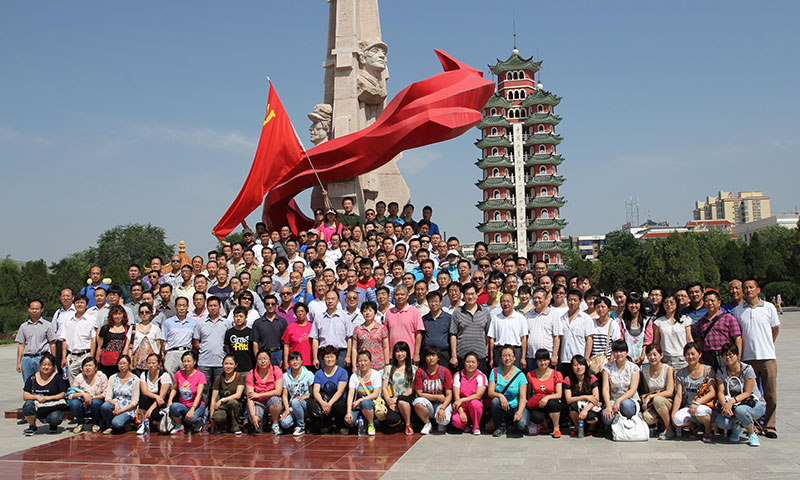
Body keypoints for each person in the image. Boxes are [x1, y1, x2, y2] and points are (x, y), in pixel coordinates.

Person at [734, 278, 780, 439]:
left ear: (758, 290)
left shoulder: (769, 307)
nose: (748, 290)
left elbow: (775, 329)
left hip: (767, 357)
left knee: (770, 394)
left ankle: (770, 426)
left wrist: (768, 343)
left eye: (751, 287)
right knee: (751, 394)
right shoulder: (739, 310)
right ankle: (755, 426)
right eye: (745, 288)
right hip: (748, 359)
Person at [714, 342, 765, 447]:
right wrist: (725, 406)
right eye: (725, 355)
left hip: (753, 404)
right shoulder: (721, 371)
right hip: (732, 405)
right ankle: (738, 427)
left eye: (730, 354)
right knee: (722, 422)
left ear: (737, 355)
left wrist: (731, 402)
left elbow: (747, 392)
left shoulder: (747, 369)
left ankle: (751, 434)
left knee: (741, 411)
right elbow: (720, 392)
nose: (728, 358)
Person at [671, 342, 716, 443]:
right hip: (689, 407)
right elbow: (679, 395)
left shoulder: (707, 370)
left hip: (704, 406)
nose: (690, 357)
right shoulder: (681, 373)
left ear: (699, 354)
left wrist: (697, 403)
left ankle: (708, 430)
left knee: (700, 410)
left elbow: (712, 393)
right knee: (677, 420)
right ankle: (693, 426)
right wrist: (673, 413)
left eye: (693, 354)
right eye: (687, 354)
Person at [695, 290, 742, 372]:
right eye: (706, 301)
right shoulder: (701, 321)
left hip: (725, 355)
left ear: (719, 302)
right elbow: (700, 342)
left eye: (712, 300)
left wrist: (737, 357)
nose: (709, 303)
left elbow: (737, 338)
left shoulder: (729, 318)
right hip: (708, 357)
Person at [488, 345, 529, 437]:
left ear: (514, 358)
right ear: (500, 358)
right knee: (495, 401)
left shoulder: (520, 375)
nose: (507, 358)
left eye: (510, 356)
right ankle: (501, 426)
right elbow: (490, 392)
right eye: (504, 356)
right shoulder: (495, 371)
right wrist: (500, 396)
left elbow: (523, 397)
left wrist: (520, 412)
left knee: (521, 424)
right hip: (502, 406)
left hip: (516, 406)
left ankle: (513, 424)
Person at [22, 353, 66, 436]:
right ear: (40, 365)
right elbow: (25, 395)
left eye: (49, 365)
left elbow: (62, 394)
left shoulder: (57, 378)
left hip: (53, 405)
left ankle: (53, 424)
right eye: (44, 364)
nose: (46, 367)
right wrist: (36, 397)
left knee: (54, 418)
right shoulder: (32, 378)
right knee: (28, 405)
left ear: (53, 366)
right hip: (38, 405)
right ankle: (32, 426)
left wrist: (48, 397)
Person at [449, 283, 491, 371]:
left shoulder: (485, 312)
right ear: (463, 296)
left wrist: (487, 352)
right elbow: (453, 334)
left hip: (480, 356)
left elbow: (488, 334)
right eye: (467, 294)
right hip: (462, 357)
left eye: (472, 294)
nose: (470, 297)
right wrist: (454, 355)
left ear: (477, 295)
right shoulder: (457, 312)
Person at [308, 345, 349, 434]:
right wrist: (322, 403)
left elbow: (340, 391)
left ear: (336, 358)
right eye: (327, 357)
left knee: (339, 406)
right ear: (323, 359)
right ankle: (325, 424)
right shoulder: (319, 373)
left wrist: (329, 405)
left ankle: (340, 425)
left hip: (336, 401)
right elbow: (315, 391)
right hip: (324, 401)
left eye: (332, 357)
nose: (329, 359)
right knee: (312, 404)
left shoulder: (342, 372)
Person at [412, 346, 453, 434]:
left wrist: (442, 408)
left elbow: (449, 394)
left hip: (441, 404)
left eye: (433, 355)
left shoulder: (445, 371)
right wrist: (437, 397)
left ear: (438, 358)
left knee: (444, 420)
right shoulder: (420, 372)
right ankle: (427, 423)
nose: (431, 358)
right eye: (428, 356)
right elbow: (419, 393)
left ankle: (440, 423)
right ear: (425, 358)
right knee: (417, 402)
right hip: (428, 404)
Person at [601, 340, 640, 428]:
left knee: (625, 405)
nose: (618, 354)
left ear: (626, 352)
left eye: (621, 351)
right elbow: (605, 389)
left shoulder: (634, 367)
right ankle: (618, 422)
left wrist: (618, 401)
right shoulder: (607, 367)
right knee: (607, 418)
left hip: (629, 400)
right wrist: (608, 406)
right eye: (616, 351)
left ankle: (627, 421)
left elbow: (633, 389)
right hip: (612, 400)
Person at [310, 290, 354, 369]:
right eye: (328, 299)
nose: (330, 301)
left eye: (333, 299)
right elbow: (315, 339)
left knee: (340, 375)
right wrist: (315, 358)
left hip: (341, 354)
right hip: (324, 353)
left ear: (338, 301)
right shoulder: (319, 318)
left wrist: (348, 356)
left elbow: (349, 338)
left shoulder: (345, 317)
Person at [16, 299, 56, 384]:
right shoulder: (24, 326)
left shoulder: (48, 325)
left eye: (37, 309)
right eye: (32, 309)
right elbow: (21, 345)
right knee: (28, 383)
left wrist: (53, 361)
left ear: (41, 310)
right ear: (29, 309)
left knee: (43, 382)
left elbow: (52, 344)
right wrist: (19, 362)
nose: (34, 311)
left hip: (41, 358)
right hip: (27, 359)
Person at [525, 348, 563, 437]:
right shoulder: (530, 375)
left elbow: (559, 394)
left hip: (552, 401)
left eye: (545, 360)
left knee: (552, 403)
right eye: (540, 360)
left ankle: (556, 428)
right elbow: (529, 393)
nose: (542, 363)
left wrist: (547, 397)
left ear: (549, 360)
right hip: (538, 403)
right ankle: (544, 424)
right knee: (536, 416)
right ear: (536, 361)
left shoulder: (556, 374)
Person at [245, 350, 284, 435]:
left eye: (265, 359)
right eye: (260, 359)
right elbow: (250, 397)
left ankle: (275, 424)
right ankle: (261, 421)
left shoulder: (276, 370)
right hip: (258, 402)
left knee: (276, 400)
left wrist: (259, 395)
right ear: (256, 361)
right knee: (257, 428)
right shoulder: (251, 373)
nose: (263, 361)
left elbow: (278, 391)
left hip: (271, 400)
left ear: (270, 360)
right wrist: (253, 416)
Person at [59, 295, 96, 385]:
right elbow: (64, 340)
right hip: (72, 356)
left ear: (86, 305)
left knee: (88, 381)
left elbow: (93, 340)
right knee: (73, 383)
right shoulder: (68, 320)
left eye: (82, 303)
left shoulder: (92, 320)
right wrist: (63, 357)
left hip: (85, 354)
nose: (79, 305)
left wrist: (91, 357)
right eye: (77, 303)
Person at [640, 344, 675, 439]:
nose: (652, 357)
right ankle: (662, 422)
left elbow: (670, 391)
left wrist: (651, 396)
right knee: (647, 417)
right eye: (649, 355)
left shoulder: (668, 369)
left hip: (666, 401)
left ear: (661, 355)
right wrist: (645, 397)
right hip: (653, 405)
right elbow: (647, 391)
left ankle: (669, 429)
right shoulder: (645, 371)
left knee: (658, 399)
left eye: (655, 354)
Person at [384, 285, 426, 365]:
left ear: (407, 296)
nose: (400, 297)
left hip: (410, 354)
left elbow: (419, 334)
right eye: (397, 294)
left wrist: (416, 353)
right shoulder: (389, 313)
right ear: (393, 297)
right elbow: (386, 335)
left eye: (402, 294)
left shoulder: (414, 312)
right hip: (393, 355)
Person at [168, 351, 207, 435]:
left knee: (191, 419)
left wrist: (192, 409)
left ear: (194, 361)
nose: (186, 364)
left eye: (189, 361)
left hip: (197, 405)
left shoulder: (200, 375)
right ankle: (179, 425)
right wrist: (170, 401)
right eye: (184, 361)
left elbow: (199, 394)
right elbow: (174, 388)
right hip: (184, 405)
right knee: (173, 407)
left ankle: (199, 421)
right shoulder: (179, 374)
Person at [344, 350, 382, 435]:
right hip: (358, 406)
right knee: (349, 422)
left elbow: (375, 394)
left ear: (370, 361)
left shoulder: (376, 374)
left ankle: (371, 424)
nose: (363, 363)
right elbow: (350, 395)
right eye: (360, 361)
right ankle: (363, 421)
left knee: (365, 403)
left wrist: (361, 400)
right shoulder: (354, 376)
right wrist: (348, 412)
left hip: (372, 405)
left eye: (365, 360)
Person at [99, 355, 139, 434]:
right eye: (120, 363)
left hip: (128, 408)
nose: (122, 366)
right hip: (116, 405)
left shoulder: (136, 379)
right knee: (105, 406)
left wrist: (121, 411)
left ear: (129, 364)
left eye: (124, 363)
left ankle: (126, 423)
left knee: (117, 423)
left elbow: (135, 401)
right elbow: (107, 397)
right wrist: (115, 404)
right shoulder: (112, 377)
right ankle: (109, 426)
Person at [382, 341, 416, 435]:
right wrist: (388, 400)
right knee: (391, 420)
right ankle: (400, 422)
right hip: (392, 400)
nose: (400, 354)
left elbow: (412, 388)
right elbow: (384, 387)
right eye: (397, 351)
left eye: (402, 351)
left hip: (406, 399)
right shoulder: (389, 368)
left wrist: (398, 399)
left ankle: (408, 424)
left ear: (407, 353)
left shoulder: (413, 368)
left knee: (402, 401)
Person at [450, 351, 488, 435]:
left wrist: (462, 400)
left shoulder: (481, 376)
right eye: (468, 362)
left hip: (474, 404)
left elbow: (478, 395)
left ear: (477, 363)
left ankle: (476, 426)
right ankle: (466, 425)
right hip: (461, 406)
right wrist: (461, 412)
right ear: (464, 362)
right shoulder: (458, 375)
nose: (470, 364)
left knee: (475, 404)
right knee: (456, 421)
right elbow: (456, 397)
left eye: (473, 362)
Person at [68, 356, 107, 434]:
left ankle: (96, 422)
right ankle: (80, 423)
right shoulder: (79, 377)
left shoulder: (101, 376)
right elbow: (71, 394)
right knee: (74, 403)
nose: (88, 368)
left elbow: (105, 393)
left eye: (90, 365)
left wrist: (91, 398)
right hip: (83, 401)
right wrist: (83, 395)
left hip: (97, 400)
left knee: (96, 402)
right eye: (85, 366)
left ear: (95, 368)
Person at [279, 351, 315, 436]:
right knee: (284, 423)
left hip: (306, 404)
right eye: (292, 360)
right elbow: (284, 395)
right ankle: (298, 421)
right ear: (289, 362)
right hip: (293, 405)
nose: (295, 362)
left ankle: (301, 426)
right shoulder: (285, 376)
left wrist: (304, 398)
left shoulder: (308, 374)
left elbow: (313, 393)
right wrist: (287, 409)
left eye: (297, 359)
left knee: (295, 401)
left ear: (301, 361)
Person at [488, 293, 528, 370]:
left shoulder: (520, 318)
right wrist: (491, 358)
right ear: (500, 303)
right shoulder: (496, 318)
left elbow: (524, 339)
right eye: (503, 301)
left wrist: (523, 358)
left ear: (513, 303)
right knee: (499, 374)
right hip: (499, 351)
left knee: (514, 374)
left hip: (515, 351)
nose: (506, 304)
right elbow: (492, 339)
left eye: (508, 301)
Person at [564, 354, 600, 437]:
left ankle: (591, 428)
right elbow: (568, 400)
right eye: (575, 365)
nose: (578, 367)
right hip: (577, 406)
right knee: (573, 407)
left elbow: (596, 398)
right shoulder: (568, 379)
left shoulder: (592, 378)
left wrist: (585, 410)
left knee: (593, 419)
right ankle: (577, 427)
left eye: (581, 364)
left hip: (590, 406)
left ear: (585, 366)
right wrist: (585, 397)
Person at [160, 297, 198, 377]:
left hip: (186, 352)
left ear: (187, 307)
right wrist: (164, 353)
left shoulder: (193, 323)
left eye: (184, 305)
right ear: (175, 306)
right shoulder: (168, 322)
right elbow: (164, 341)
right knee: (169, 376)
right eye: (179, 305)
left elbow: (194, 341)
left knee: (186, 377)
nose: (181, 308)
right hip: (171, 353)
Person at [559, 290, 594, 377]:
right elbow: (560, 339)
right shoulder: (562, 318)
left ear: (580, 301)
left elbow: (589, 339)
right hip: (564, 359)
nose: (572, 302)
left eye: (575, 300)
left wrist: (586, 357)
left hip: (579, 359)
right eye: (570, 300)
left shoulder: (586, 318)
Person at [209, 355, 245, 435]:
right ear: (222, 365)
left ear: (235, 365)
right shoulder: (219, 378)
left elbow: (238, 395)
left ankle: (235, 427)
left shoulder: (240, 376)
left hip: (236, 405)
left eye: (231, 364)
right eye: (226, 364)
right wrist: (212, 419)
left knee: (232, 403)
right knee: (218, 417)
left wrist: (222, 400)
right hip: (223, 406)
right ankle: (223, 426)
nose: (228, 366)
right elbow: (213, 399)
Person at [136, 353, 171, 435]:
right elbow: (145, 391)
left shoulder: (164, 375)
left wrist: (151, 409)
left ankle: (157, 422)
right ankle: (144, 423)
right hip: (150, 400)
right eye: (149, 363)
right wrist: (156, 397)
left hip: (160, 403)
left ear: (158, 364)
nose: (151, 365)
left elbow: (162, 396)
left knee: (155, 413)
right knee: (143, 398)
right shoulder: (144, 375)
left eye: (153, 363)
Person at [352, 301, 390, 371]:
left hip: (379, 365)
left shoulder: (382, 328)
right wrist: (354, 365)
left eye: (370, 310)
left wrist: (387, 364)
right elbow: (354, 348)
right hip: (363, 365)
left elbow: (386, 347)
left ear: (375, 312)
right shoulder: (358, 329)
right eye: (365, 311)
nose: (367, 313)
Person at [127, 302, 162, 376]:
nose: (144, 314)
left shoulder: (156, 328)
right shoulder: (133, 327)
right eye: (142, 312)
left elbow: (158, 346)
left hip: (152, 363)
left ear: (151, 313)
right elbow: (129, 346)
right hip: (137, 363)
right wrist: (129, 361)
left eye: (147, 312)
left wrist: (158, 361)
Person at [95, 305, 130, 377]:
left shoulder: (128, 328)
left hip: (120, 363)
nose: (118, 316)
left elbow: (127, 347)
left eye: (120, 314)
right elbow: (99, 347)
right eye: (115, 314)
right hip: (105, 362)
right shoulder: (105, 328)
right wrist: (96, 362)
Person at [281, 303, 313, 368]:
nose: (300, 313)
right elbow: (286, 346)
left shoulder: (312, 327)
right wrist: (285, 362)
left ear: (306, 312)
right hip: (294, 362)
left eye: (302, 311)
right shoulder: (290, 327)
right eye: (298, 312)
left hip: (308, 361)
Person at [622, 293, 648, 365]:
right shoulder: (622, 322)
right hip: (627, 361)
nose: (633, 305)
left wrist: (642, 357)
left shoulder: (647, 321)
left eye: (636, 303)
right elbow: (621, 340)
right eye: (631, 303)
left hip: (644, 361)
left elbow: (647, 341)